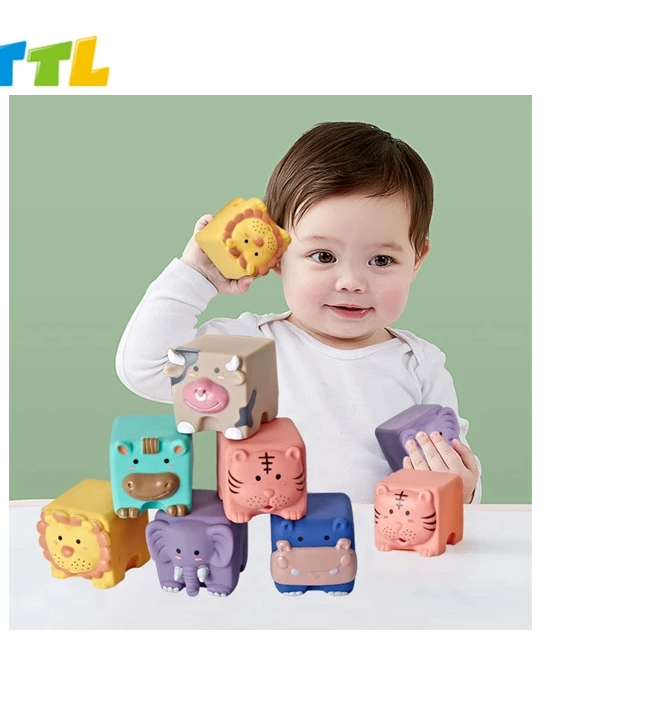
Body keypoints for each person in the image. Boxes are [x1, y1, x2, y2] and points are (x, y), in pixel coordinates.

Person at [115, 121, 482, 504]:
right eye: (323, 256)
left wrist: (464, 487)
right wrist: (196, 277)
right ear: (276, 254)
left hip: (387, 537)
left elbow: (456, 473)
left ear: (417, 260)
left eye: (381, 260)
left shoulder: (420, 365)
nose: (350, 282)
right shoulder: (248, 350)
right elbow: (145, 368)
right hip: (262, 536)